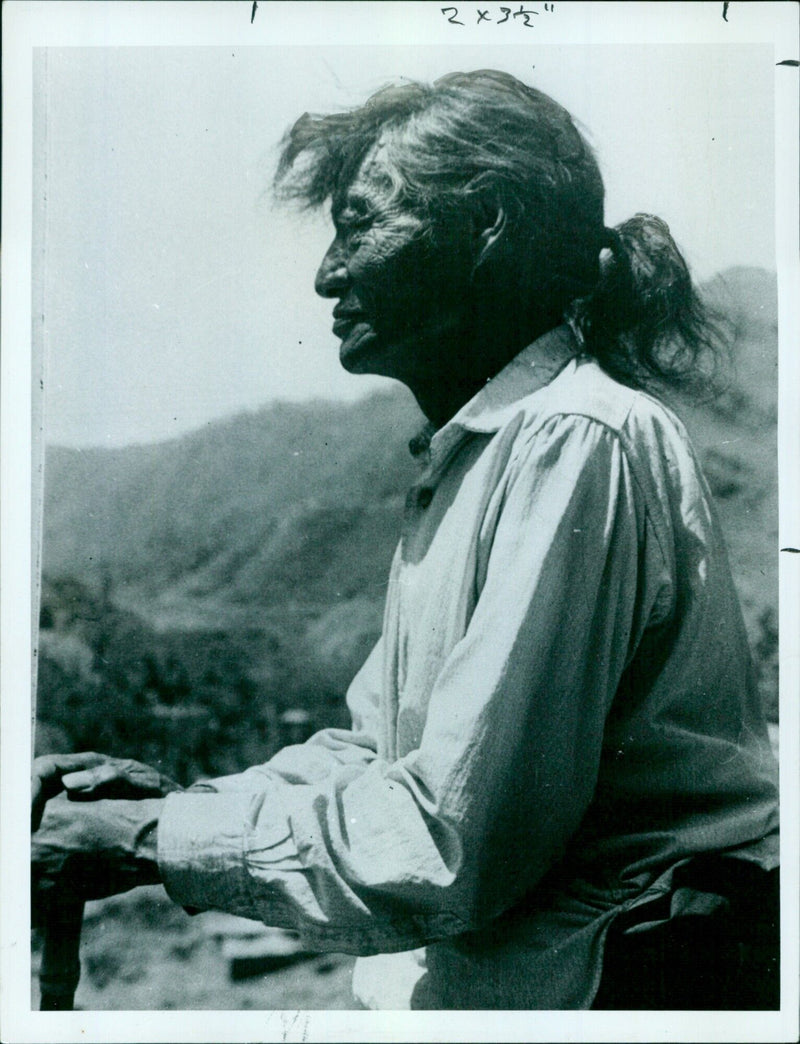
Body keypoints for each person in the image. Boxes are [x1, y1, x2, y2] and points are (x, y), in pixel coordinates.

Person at [32, 70, 779, 1010]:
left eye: (358, 225)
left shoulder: (573, 439)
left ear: (489, 224)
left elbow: (448, 842)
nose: (327, 274)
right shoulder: (481, 455)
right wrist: (179, 806)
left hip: (623, 988)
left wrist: (150, 842)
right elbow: (382, 756)